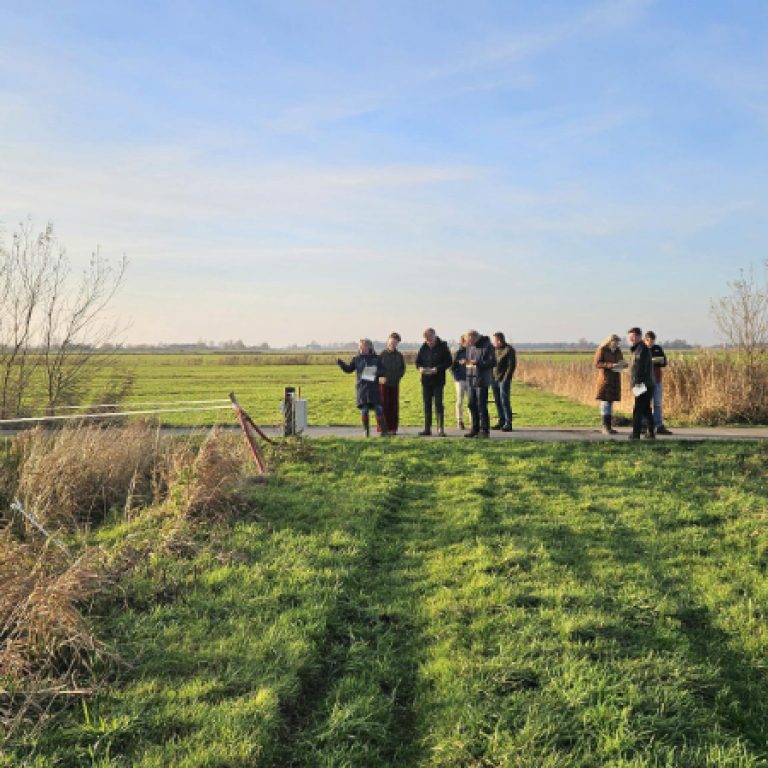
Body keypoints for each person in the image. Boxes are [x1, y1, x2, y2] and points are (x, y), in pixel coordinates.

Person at [337, 339, 387, 437]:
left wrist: (375, 373)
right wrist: (341, 364)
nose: (359, 347)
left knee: (378, 409)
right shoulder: (356, 359)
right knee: (364, 410)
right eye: (359, 346)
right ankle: (366, 431)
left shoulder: (377, 358)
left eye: (361, 346)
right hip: (362, 389)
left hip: (374, 389)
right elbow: (349, 369)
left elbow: (384, 371)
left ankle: (384, 432)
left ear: (368, 347)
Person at [415, 327, 452, 436]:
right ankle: (427, 429)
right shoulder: (423, 347)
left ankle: (440, 429)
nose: (428, 342)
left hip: (438, 380)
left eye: (430, 340)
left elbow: (449, 362)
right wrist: (420, 368)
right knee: (427, 404)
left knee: (438, 404)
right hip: (426, 381)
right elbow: (417, 362)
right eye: (426, 340)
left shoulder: (443, 347)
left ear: (434, 336)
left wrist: (438, 369)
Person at [464, 330, 496, 438]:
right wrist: (466, 362)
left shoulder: (488, 346)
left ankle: (484, 430)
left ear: (474, 338)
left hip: (482, 379)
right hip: (470, 379)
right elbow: (469, 359)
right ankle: (475, 428)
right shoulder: (470, 347)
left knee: (481, 405)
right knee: (471, 404)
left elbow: (492, 362)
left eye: (469, 340)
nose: (468, 343)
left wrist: (478, 363)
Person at [627, 326, 655, 440]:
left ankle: (635, 434)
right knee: (646, 409)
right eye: (629, 337)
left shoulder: (641, 349)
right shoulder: (639, 348)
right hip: (646, 383)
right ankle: (651, 433)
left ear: (638, 336)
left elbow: (640, 369)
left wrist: (637, 383)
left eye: (633, 337)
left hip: (642, 384)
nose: (631, 339)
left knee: (638, 410)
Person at [594, 334, 624, 434]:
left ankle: (609, 427)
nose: (616, 343)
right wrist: (611, 365)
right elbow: (597, 364)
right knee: (605, 402)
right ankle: (605, 427)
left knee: (610, 403)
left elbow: (621, 361)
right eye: (614, 341)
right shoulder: (602, 350)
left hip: (615, 379)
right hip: (605, 380)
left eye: (617, 341)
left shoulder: (618, 351)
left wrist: (623, 364)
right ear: (609, 341)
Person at [644, 331, 672, 435]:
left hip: (657, 380)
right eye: (649, 341)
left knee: (657, 404)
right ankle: (644, 425)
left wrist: (661, 361)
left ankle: (658, 425)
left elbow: (664, 362)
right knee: (645, 403)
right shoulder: (641, 349)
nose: (651, 343)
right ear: (645, 340)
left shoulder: (658, 348)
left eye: (653, 341)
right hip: (645, 381)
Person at [378, 331, 406, 435]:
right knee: (384, 406)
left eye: (394, 343)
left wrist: (398, 376)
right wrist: (379, 378)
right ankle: (383, 429)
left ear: (397, 343)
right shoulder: (382, 355)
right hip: (383, 385)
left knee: (394, 407)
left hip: (395, 384)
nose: (392, 345)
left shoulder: (399, 356)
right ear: (387, 342)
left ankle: (393, 428)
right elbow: (375, 368)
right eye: (390, 343)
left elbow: (403, 369)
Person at [491, 332, 516, 431]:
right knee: (498, 401)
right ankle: (501, 421)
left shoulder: (509, 350)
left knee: (504, 401)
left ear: (499, 341)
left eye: (494, 341)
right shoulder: (493, 350)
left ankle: (508, 422)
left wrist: (506, 379)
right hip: (494, 379)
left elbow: (511, 366)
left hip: (503, 380)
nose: (493, 342)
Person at [450, 334, 469, 430]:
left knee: (471, 402)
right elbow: (452, 367)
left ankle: (473, 421)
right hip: (460, 380)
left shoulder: (473, 352)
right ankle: (459, 420)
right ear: (462, 342)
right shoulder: (457, 353)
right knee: (460, 401)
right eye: (465, 341)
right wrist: (456, 378)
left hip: (471, 379)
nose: (467, 342)